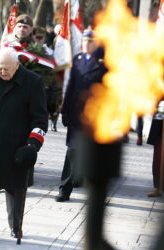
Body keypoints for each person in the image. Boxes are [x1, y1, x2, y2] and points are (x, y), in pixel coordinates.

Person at [0, 47, 48, 244]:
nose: (3, 72)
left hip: (18, 147)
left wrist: (32, 145)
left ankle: (16, 227)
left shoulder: (32, 82)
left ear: (17, 65)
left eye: (7, 68)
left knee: (15, 190)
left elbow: (40, 120)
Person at [56, 29, 107, 202]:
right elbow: (71, 86)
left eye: (90, 41)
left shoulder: (103, 64)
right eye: (84, 41)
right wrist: (65, 110)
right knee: (72, 152)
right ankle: (65, 188)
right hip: (77, 115)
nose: (86, 44)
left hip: (94, 116)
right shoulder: (78, 60)